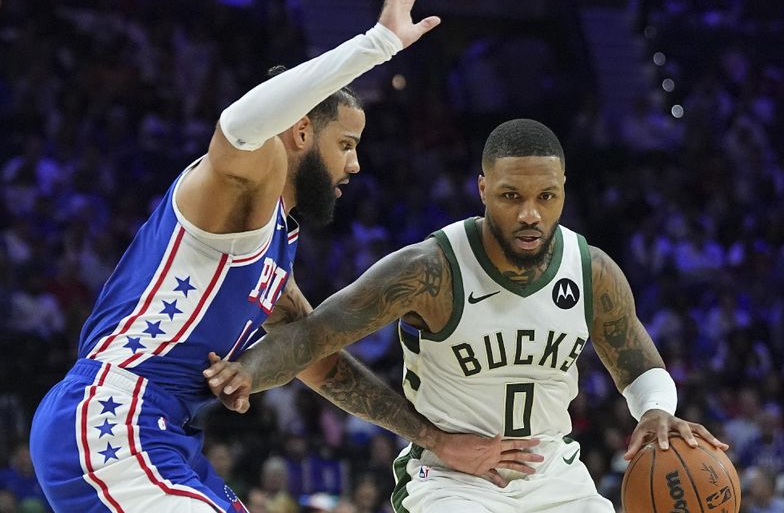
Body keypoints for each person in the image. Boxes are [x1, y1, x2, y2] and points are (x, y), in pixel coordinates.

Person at [29, 0, 532, 513]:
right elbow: (237, 128)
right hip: (112, 418)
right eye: (346, 145)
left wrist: (437, 442)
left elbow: (317, 358)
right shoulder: (241, 186)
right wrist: (377, 43)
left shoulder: (274, 244)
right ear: (298, 133)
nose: (354, 167)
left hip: (163, 435)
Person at [205, 119, 730, 512]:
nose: (530, 214)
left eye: (546, 197)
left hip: (555, 476)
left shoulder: (591, 271)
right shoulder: (429, 270)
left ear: (563, 190)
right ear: (483, 190)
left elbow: (636, 363)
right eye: (511, 196)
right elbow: (314, 336)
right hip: (451, 480)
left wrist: (656, 410)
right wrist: (249, 370)